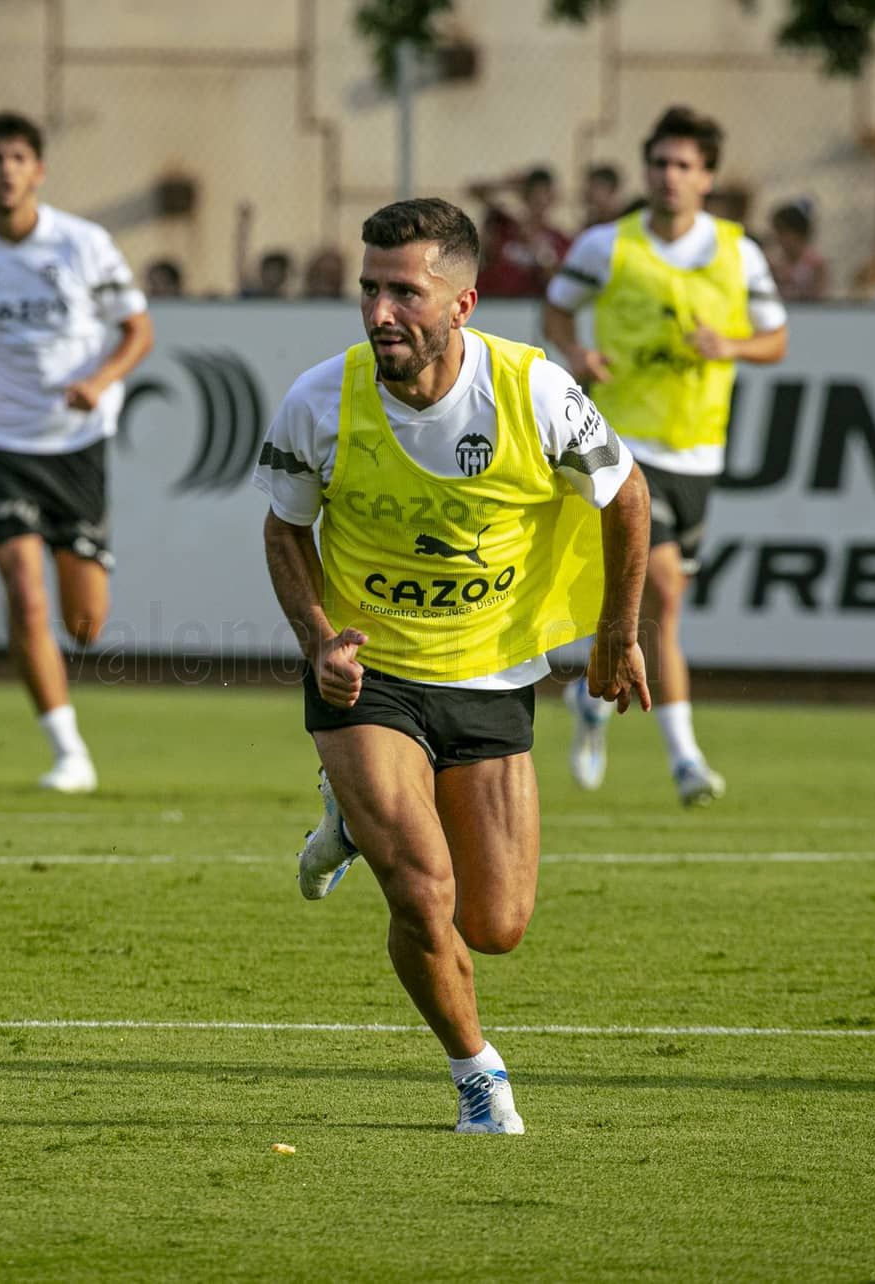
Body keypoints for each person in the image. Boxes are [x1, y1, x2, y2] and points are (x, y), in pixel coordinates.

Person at [258, 196, 649, 1134]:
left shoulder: (534, 391)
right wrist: (319, 641)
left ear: (463, 303)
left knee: (496, 924)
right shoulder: (319, 399)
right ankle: (477, 1074)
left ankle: (348, 821)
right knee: (422, 889)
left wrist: (616, 631)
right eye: (370, 289)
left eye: (405, 293)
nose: (380, 312)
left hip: (491, 675)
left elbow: (628, 496)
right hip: (370, 677)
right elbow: (284, 529)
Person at [541, 105, 789, 804]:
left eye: (683, 165)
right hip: (622, 445)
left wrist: (730, 345)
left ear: (707, 178)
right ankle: (686, 761)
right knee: (668, 593)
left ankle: (591, 700)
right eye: (658, 163)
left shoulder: (739, 252)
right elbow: (556, 308)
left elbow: (776, 339)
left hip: (699, 454)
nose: (668, 176)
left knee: (660, 608)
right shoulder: (605, 246)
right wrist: (576, 350)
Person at [0, 111, 154, 793]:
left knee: (85, 624)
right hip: (1, 443)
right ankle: (68, 751)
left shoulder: (84, 244)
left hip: (77, 445)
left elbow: (139, 332)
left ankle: (61, 670)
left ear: (39, 171)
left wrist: (99, 383)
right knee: (24, 592)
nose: (6, 170)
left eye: (18, 157)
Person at [471, 166, 571, 297]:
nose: (539, 203)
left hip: (528, 304)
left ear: (552, 199)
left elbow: (557, 282)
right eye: (534, 196)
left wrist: (539, 250)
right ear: (525, 197)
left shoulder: (559, 239)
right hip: (492, 301)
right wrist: (507, 185)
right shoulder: (506, 225)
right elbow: (475, 191)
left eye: (544, 197)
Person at [766, 199, 826, 302]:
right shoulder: (775, 262)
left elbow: (819, 296)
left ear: (798, 233)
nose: (778, 238)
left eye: (782, 232)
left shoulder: (815, 264)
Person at [235, 203, 292, 297]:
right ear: (261, 272)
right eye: (269, 271)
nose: (272, 277)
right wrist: (244, 225)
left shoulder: (286, 300)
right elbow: (240, 259)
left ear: (284, 276)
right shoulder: (251, 294)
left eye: (276, 273)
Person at [582, 163, 624, 229]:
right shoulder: (592, 225)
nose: (590, 197)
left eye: (595, 188)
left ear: (611, 190)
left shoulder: (626, 219)